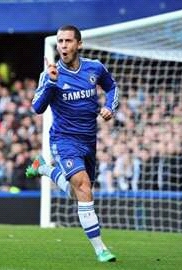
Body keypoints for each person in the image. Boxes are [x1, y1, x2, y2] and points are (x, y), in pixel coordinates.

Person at [26, 25, 119, 262]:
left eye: (68, 41)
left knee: (79, 193)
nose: (63, 46)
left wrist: (110, 106)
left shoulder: (95, 68)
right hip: (63, 139)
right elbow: (37, 108)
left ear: (79, 44)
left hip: (89, 140)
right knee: (83, 185)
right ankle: (100, 249)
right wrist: (50, 83)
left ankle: (44, 168)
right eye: (60, 41)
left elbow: (111, 87)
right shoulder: (50, 73)